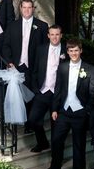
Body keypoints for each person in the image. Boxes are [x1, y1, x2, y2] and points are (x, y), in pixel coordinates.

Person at [40, 38, 94, 169]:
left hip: (80, 113)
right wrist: (54, 109)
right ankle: (55, 168)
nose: (74, 53)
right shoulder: (63, 67)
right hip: (64, 111)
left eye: (76, 50)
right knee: (56, 140)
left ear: (81, 51)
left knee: (78, 145)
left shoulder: (91, 69)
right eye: (71, 51)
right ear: (67, 52)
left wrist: (86, 111)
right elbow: (58, 89)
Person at [2, 0, 49, 132]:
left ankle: (30, 124)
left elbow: (45, 48)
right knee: (20, 96)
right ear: (20, 9)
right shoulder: (12, 26)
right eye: (24, 7)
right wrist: (9, 62)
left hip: (33, 67)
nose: (27, 10)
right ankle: (19, 123)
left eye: (29, 7)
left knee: (32, 95)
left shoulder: (42, 26)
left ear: (33, 9)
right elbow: (6, 46)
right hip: (17, 66)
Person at [29, 24, 67, 152]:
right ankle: (42, 142)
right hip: (43, 91)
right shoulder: (41, 49)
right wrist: (36, 90)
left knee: (55, 125)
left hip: (58, 94)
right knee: (33, 120)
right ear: (48, 35)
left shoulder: (67, 50)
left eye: (57, 34)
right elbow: (34, 70)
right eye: (52, 34)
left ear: (61, 35)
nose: (55, 37)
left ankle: (56, 154)